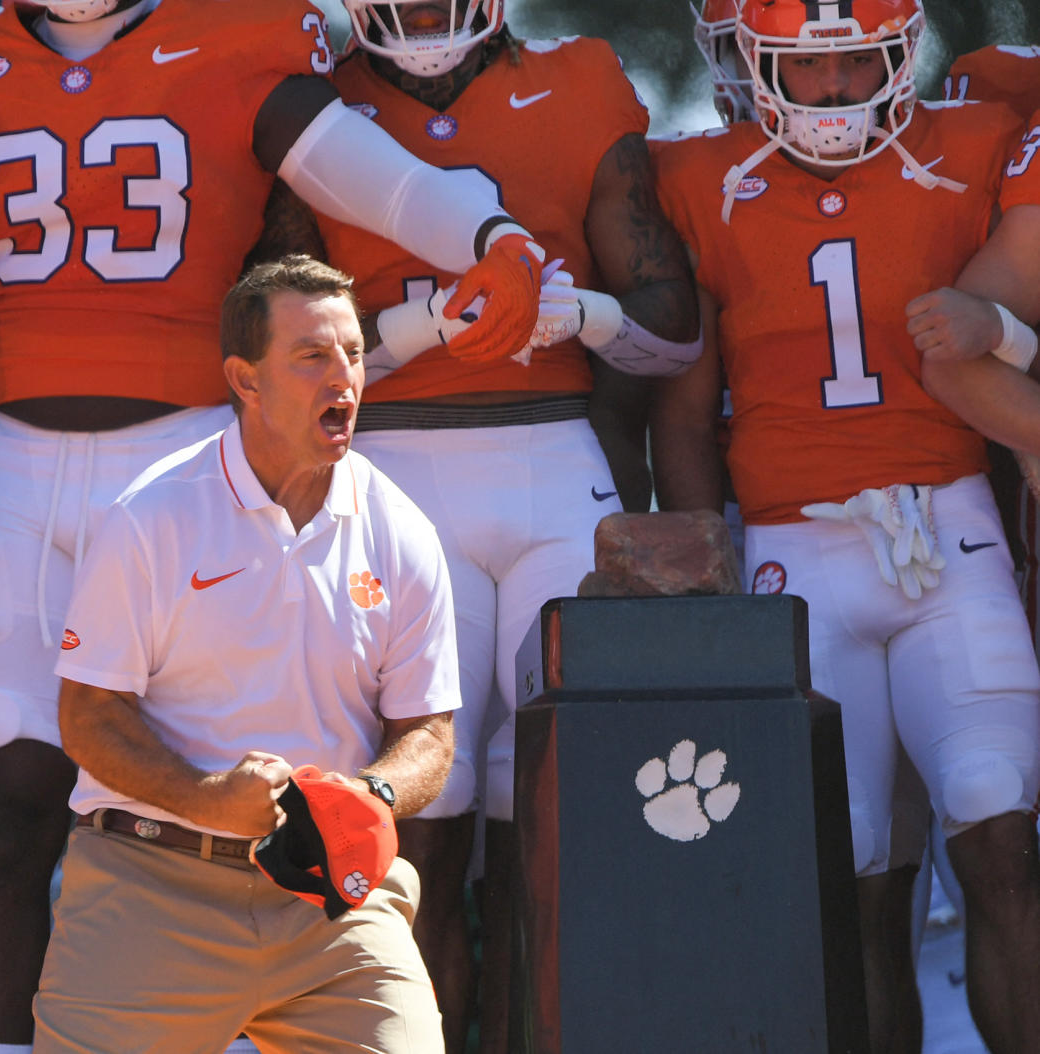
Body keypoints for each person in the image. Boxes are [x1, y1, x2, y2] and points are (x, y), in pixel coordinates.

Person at [0, 2, 549, 1051]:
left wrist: (487, 234)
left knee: (232, 801)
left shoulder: (237, 36)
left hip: (189, 463)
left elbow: (371, 176)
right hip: (2, 471)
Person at [252, 3, 700, 1049]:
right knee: (419, 833)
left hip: (552, 461)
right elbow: (267, 341)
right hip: (390, 470)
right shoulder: (321, 105)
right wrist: (412, 331)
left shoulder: (581, 79)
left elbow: (672, 327)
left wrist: (582, 312)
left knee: (558, 820)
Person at [649, 1, 1040, 1052]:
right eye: (805, 69)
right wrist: (703, 562)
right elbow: (684, 408)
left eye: (855, 65)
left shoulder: (979, 139)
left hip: (947, 527)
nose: (829, 92)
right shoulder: (696, 179)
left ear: (901, 55)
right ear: (753, 62)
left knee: (1000, 826)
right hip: (792, 553)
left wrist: (999, 326)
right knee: (852, 869)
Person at [32, 255, 458, 1053]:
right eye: (313, 357)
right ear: (244, 379)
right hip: (149, 885)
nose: (345, 378)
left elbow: (430, 735)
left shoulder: (404, 531)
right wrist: (202, 796)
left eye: (354, 355)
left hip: (334, 903)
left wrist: (370, 794)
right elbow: (87, 716)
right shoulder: (151, 516)